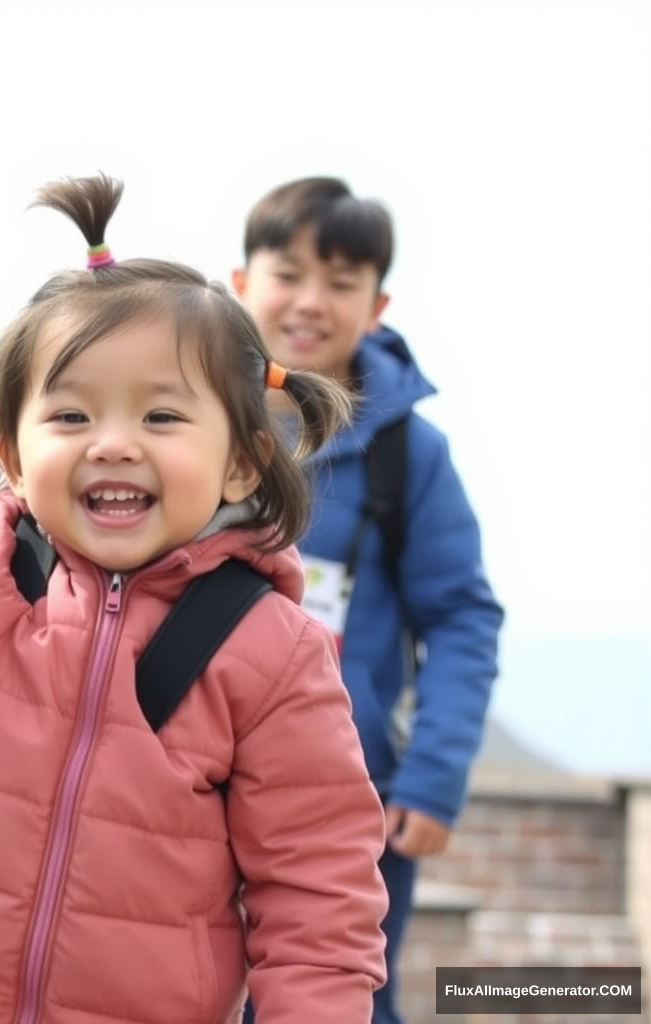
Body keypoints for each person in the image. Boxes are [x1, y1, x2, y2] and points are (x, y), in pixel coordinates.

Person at [0, 174, 389, 1024]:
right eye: (72, 416)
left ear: (241, 462)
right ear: (14, 454)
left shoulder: (272, 652)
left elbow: (319, 898)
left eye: (162, 417)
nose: (114, 444)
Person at [231, 176, 504, 1024]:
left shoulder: (410, 455)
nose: (311, 301)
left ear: (376, 304)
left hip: (355, 801)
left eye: (342, 283)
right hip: (196, 781)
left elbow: (461, 617)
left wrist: (434, 775)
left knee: (340, 997)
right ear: (241, 284)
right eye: (289, 273)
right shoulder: (189, 419)